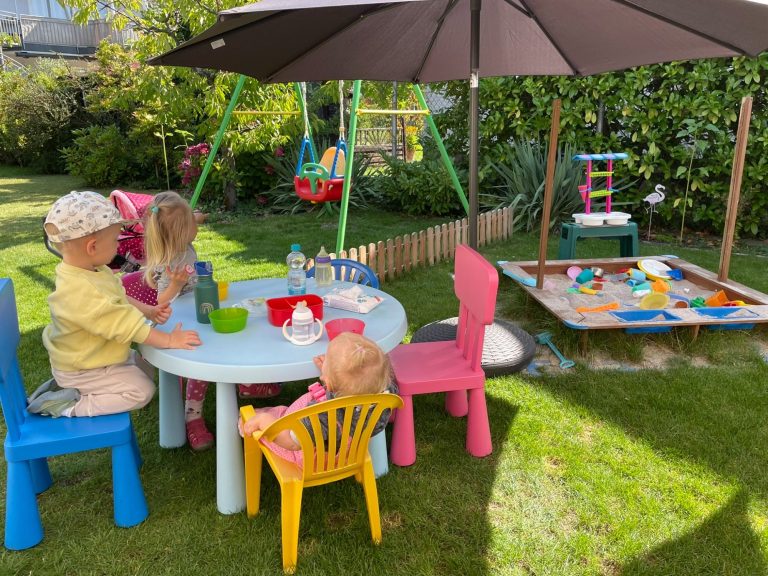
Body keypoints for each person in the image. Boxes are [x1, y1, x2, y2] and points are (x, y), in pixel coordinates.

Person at [30, 190, 201, 419]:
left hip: (98, 355)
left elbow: (119, 295)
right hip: (84, 368)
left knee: (147, 368)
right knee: (142, 391)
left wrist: (149, 310)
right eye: (114, 240)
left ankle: (80, 390)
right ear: (92, 247)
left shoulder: (91, 271)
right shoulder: (83, 292)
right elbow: (131, 328)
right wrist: (170, 340)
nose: (116, 246)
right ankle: (69, 403)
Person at [142, 191, 280, 452]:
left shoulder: (182, 238)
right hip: (180, 320)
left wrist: (198, 216)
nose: (197, 226)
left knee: (233, 337)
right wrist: (176, 284)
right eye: (192, 225)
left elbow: (192, 218)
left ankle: (247, 385)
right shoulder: (169, 261)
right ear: (182, 233)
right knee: (203, 360)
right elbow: (161, 300)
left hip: (200, 306)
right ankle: (193, 417)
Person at [240, 332, 396, 467]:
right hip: (349, 453)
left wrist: (266, 422)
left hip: (315, 458)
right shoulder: (385, 396)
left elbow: (292, 443)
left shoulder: (322, 416)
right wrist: (336, 377)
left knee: (266, 418)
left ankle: (248, 422)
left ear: (327, 383)